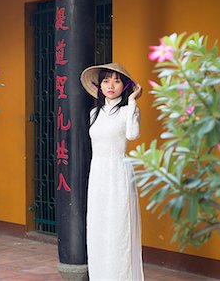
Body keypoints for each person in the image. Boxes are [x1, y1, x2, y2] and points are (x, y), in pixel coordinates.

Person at [80, 63, 144, 280]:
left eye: (117, 81)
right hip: (98, 173)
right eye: (106, 80)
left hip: (118, 172)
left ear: (124, 86)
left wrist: (133, 102)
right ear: (100, 86)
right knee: (98, 226)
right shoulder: (93, 113)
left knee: (118, 228)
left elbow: (133, 135)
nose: (111, 85)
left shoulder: (128, 111)